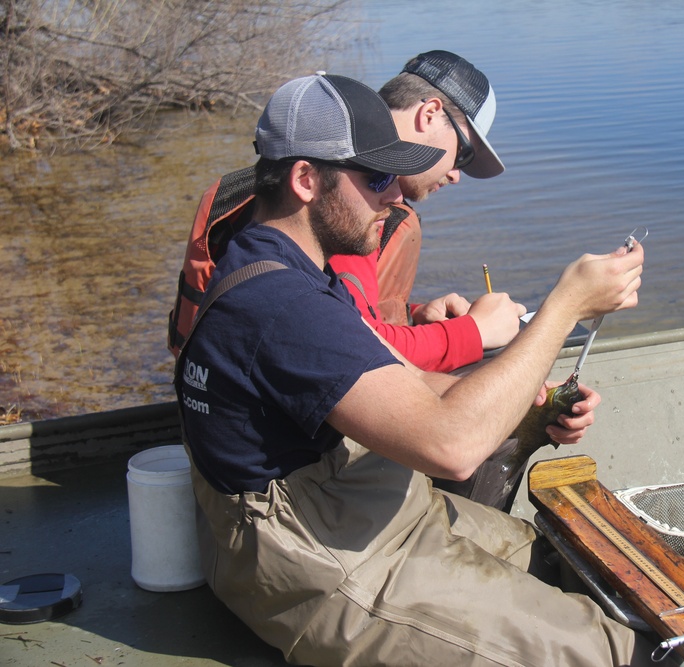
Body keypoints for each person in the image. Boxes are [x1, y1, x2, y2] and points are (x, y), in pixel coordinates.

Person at [175, 73, 651, 666]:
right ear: (304, 180)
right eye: (376, 178)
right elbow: (450, 447)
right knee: (615, 652)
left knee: (567, 565)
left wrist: (524, 396)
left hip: (365, 513)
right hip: (325, 566)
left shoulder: (296, 270)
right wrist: (565, 307)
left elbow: (411, 382)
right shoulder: (278, 305)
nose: (394, 196)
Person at [329, 49, 517, 373]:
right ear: (429, 114)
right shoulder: (347, 198)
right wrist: (474, 331)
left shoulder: (326, 152)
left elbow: (343, 312)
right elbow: (354, 348)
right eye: (463, 155)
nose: (457, 175)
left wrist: (415, 316)